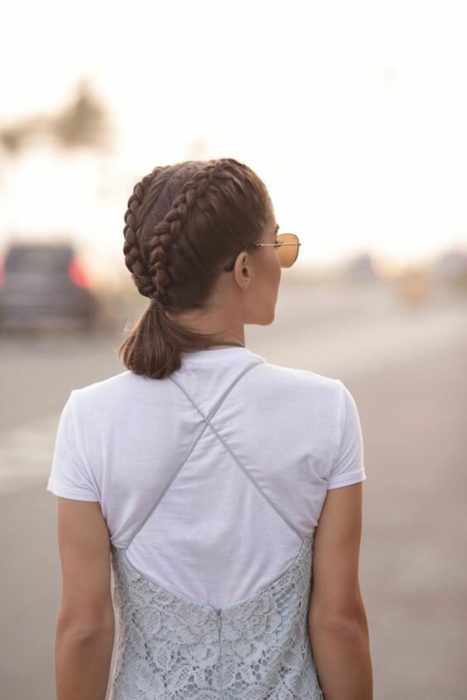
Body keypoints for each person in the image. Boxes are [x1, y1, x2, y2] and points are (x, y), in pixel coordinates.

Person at [46, 157, 373, 699]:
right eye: (279, 246)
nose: (284, 261)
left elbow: (83, 629)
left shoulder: (89, 418)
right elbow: (339, 621)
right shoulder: (326, 409)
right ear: (244, 269)